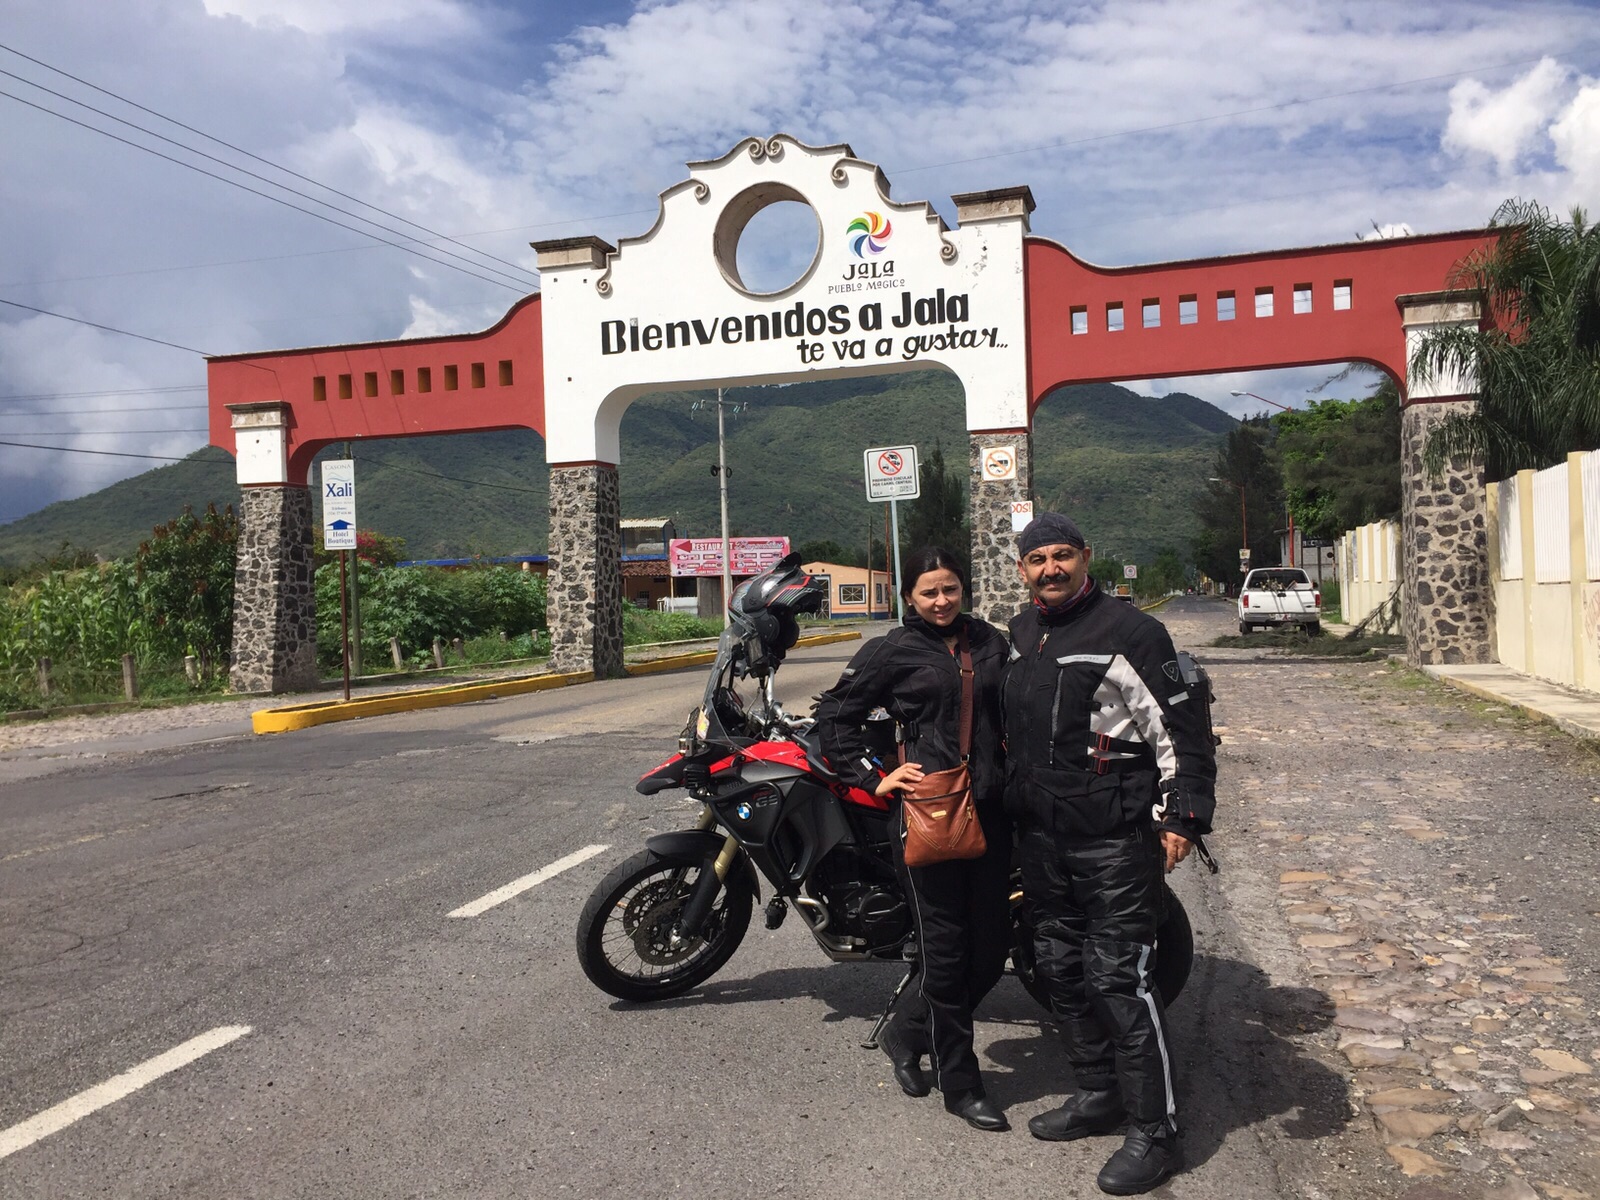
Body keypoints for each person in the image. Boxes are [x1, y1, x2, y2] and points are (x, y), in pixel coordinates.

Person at [1002, 513, 1216, 1195]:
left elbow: (1180, 730)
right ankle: (1099, 1093)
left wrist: (1182, 817)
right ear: (1022, 570)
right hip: (1042, 837)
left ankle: (1156, 1130)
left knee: (1118, 979)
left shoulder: (1132, 632)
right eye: (1038, 559)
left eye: (1062, 555)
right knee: (1058, 968)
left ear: (1086, 557)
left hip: (1114, 838)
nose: (1051, 568)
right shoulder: (1023, 633)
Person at [813, 547, 1014, 1132]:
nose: (941, 601)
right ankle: (961, 1083)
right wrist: (875, 777)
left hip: (992, 809)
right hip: (930, 814)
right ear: (909, 597)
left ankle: (906, 1032)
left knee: (990, 949)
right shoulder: (893, 649)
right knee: (944, 952)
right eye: (929, 592)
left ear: (963, 589)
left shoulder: (992, 642)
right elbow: (834, 718)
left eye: (950, 589)